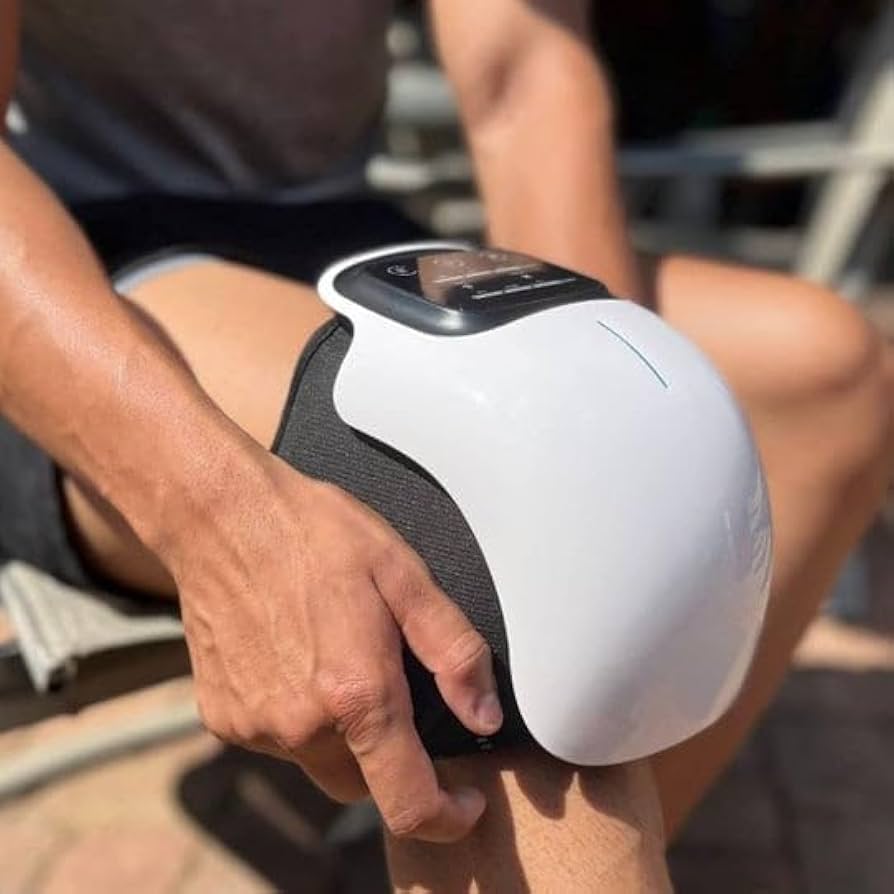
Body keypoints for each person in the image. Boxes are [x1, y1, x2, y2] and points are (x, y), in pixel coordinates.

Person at [0, 1, 890, 890]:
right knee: (494, 581)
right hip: (70, 269)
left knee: (828, 376)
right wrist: (217, 518)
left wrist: (596, 429)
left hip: (346, 232)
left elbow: (521, 73)